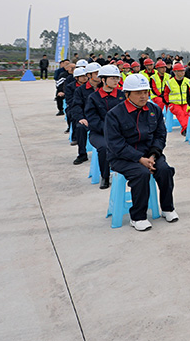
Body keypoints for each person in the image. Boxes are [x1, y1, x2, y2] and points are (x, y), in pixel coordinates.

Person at [105, 74, 178, 231]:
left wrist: (152, 155)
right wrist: (139, 159)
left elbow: (160, 135)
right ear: (127, 94)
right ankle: (137, 217)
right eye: (138, 93)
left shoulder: (154, 110)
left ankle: (167, 208)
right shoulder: (114, 114)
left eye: (146, 92)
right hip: (122, 157)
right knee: (141, 174)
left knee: (165, 170)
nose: (143, 96)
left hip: (150, 154)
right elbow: (116, 144)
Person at [84, 65, 126, 189]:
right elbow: (92, 119)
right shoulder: (94, 97)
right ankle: (105, 176)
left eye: (117, 78)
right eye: (112, 78)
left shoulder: (122, 95)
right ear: (103, 80)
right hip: (99, 132)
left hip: (120, 131)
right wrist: (108, 130)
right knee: (103, 147)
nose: (116, 81)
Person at [70, 62, 102, 164]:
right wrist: (81, 118)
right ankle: (82, 154)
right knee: (80, 127)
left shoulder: (104, 88)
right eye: (96, 73)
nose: (99, 76)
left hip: (102, 118)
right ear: (89, 75)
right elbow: (76, 106)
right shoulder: (80, 90)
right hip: (87, 118)